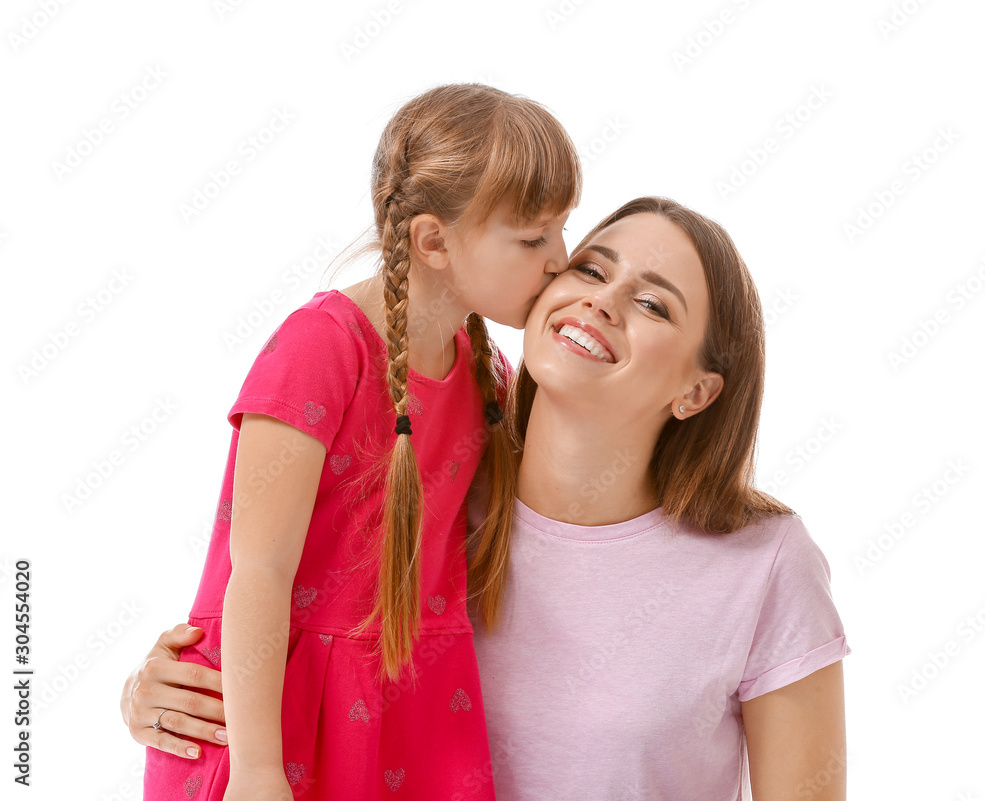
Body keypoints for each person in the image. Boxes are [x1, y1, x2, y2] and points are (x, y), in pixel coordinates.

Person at [125, 197, 849, 800]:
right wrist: (168, 696)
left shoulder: (763, 564)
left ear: (697, 392)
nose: (601, 298)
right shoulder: (430, 492)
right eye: (591, 267)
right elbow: (283, 609)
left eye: (653, 303)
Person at [139, 82, 581, 801]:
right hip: (275, 718)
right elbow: (259, 570)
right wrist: (256, 770)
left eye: (563, 227)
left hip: (416, 707)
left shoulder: (488, 376)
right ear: (432, 241)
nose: (560, 257)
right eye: (533, 237)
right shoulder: (323, 347)